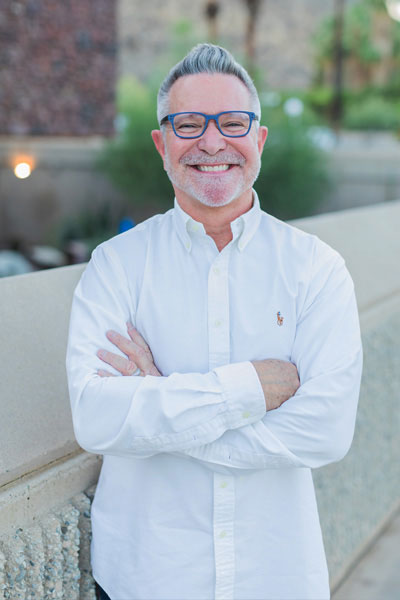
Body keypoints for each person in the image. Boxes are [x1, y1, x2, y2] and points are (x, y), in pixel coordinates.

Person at [66, 43, 362, 600]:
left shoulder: (315, 269)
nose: (211, 142)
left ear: (259, 140)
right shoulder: (116, 267)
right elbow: (96, 417)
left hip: (275, 578)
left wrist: (157, 404)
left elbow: (325, 431)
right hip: (145, 579)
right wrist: (249, 389)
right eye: (187, 124)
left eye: (231, 122)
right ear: (161, 143)